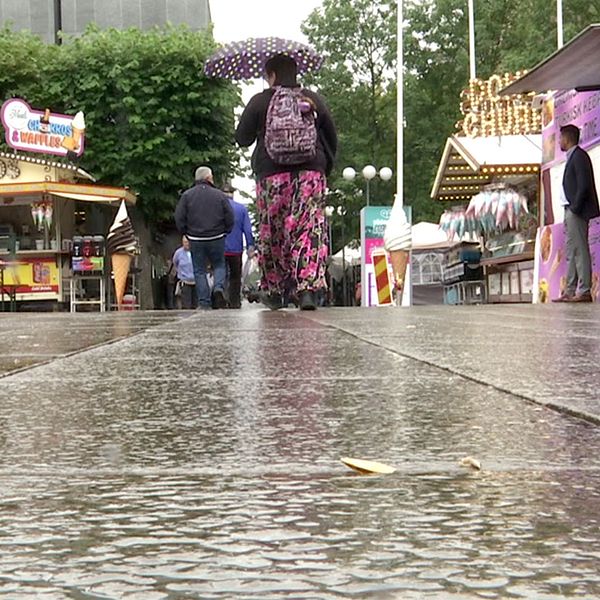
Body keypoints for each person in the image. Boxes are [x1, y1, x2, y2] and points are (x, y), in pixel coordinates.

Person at [235, 54, 337, 311]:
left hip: (271, 176)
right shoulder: (312, 99)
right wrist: (325, 166)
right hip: (310, 174)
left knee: (273, 231)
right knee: (309, 228)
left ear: (271, 75)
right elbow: (331, 135)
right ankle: (307, 291)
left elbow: (242, 138)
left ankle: (277, 290)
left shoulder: (261, 101)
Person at [175, 166, 234, 309]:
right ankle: (218, 288)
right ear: (208, 178)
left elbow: (179, 216)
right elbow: (230, 216)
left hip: (196, 238)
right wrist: (226, 230)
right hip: (217, 236)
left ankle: (204, 302)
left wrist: (186, 232)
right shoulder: (220, 195)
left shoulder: (187, 196)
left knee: (199, 270)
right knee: (219, 265)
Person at [554, 124, 600, 303]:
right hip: (569, 208)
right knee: (571, 250)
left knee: (580, 249)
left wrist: (575, 207)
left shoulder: (579, 156)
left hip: (576, 210)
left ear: (566, 138)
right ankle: (570, 289)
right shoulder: (572, 157)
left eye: (560, 138)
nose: (559, 141)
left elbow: (584, 185)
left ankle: (584, 289)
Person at [223, 185, 255, 309]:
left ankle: (221, 299)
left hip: (219, 247)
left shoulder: (217, 208)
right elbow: (247, 230)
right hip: (235, 249)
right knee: (235, 277)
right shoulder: (241, 209)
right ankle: (234, 301)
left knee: (221, 274)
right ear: (233, 194)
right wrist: (250, 246)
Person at [171, 236, 197, 309]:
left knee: (196, 304)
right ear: (182, 243)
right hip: (185, 281)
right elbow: (175, 262)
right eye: (185, 242)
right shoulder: (178, 253)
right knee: (186, 304)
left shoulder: (196, 251)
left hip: (196, 281)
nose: (187, 244)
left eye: (188, 242)